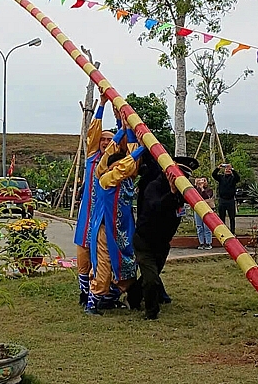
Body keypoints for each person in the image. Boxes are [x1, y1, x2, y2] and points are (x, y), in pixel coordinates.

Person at [84, 123, 145, 315]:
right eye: (116, 166)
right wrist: (143, 146)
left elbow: (131, 162)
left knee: (128, 267)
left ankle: (109, 299)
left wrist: (130, 132)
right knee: (103, 267)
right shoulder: (105, 178)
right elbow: (123, 163)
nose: (121, 169)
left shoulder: (127, 180)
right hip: (105, 230)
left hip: (123, 231)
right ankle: (92, 304)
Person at [134, 157, 198, 319]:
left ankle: (133, 297)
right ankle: (151, 313)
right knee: (151, 279)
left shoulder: (182, 192)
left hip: (163, 244)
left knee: (151, 276)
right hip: (145, 241)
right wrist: (172, 193)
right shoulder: (154, 187)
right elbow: (156, 207)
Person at [73, 95, 115, 305]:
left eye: (110, 140)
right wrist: (102, 105)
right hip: (88, 216)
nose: (105, 142)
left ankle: (103, 295)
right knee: (83, 257)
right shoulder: (92, 157)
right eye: (103, 139)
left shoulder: (117, 162)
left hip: (106, 218)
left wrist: (121, 121)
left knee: (105, 258)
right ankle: (84, 293)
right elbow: (93, 132)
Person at [212, 163, 240, 233]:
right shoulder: (221, 177)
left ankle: (232, 232)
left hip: (230, 200)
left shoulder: (233, 178)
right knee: (221, 217)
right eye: (226, 169)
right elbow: (214, 175)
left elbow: (238, 178)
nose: (227, 170)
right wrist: (218, 168)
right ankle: (223, 231)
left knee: (232, 217)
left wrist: (232, 169)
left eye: (229, 169)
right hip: (222, 200)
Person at [194, 177, 214, 250]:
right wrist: (196, 185)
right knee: (199, 226)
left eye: (204, 180)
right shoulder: (196, 189)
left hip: (206, 209)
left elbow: (206, 196)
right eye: (200, 180)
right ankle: (201, 242)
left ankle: (208, 242)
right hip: (198, 209)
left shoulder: (209, 190)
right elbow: (194, 195)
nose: (202, 182)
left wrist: (202, 188)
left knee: (207, 226)